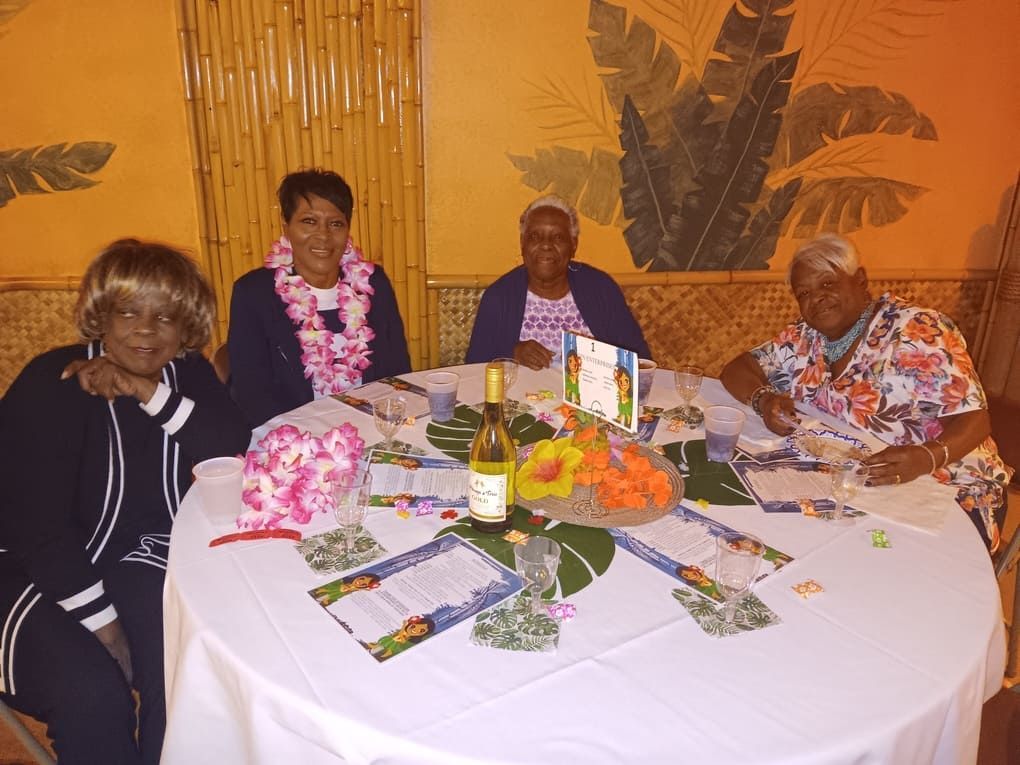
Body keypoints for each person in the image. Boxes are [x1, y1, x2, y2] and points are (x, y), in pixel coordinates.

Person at [0, 240, 251, 764]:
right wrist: (106, 627)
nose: (145, 329)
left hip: (137, 562)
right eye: (128, 311)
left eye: (165, 317)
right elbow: (35, 528)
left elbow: (227, 448)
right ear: (102, 316)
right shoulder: (54, 382)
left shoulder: (187, 374)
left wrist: (144, 390)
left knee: (185, 675)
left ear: (186, 326)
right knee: (92, 695)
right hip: (27, 571)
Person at [720, 234, 1013, 552]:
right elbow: (736, 369)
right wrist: (764, 400)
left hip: (947, 490)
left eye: (828, 284)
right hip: (859, 488)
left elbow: (976, 420)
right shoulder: (803, 339)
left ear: (860, 280)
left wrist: (926, 457)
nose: (816, 298)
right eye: (804, 293)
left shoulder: (916, 331)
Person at [228, 169, 411, 426]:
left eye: (335, 224)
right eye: (309, 221)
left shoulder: (372, 283)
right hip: (293, 439)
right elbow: (253, 393)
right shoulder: (254, 294)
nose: (323, 236)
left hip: (371, 430)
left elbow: (397, 371)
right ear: (287, 225)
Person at [466, 195, 651, 369]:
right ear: (522, 243)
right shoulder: (499, 297)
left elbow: (640, 359)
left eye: (558, 237)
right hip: (521, 401)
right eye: (535, 237)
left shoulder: (601, 289)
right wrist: (512, 352)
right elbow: (474, 366)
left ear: (573, 245)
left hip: (590, 400)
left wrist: (597, 355)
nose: (546, 245)